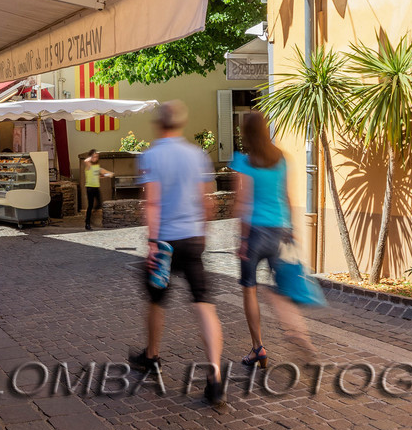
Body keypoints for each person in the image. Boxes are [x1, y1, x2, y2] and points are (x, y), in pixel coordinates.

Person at [129, 100, 225, 405]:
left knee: (157, 298)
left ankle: (152, 355)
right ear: (181, 123)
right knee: (204, 305)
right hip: (194, 237)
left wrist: (153, 244)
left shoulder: (151, 155)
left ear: (159, 123)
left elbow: (153, 204)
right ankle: (216, 376)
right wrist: (203, 234)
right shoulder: (197, 155)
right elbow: (208, 202)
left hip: (167, 241)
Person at [231, 111, 316, 369]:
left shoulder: (244, 162)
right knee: (282, 289)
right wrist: (292, 230)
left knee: (250, 289)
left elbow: (242, 202)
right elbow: (288, 196)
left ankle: (258, 347)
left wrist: (242, 239)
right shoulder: (282, 158)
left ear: (245, 134)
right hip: (280, 230)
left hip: (255, 233)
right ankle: (301, 336)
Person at [81, 149, 112, 231]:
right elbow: (85, 160)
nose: (96, 158)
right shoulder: (89, 165)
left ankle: (90, 216)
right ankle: (87, 223)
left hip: (96, 187)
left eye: (97, 157)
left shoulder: (97, 167)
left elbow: (103, 173)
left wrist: (109, 174)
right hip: (90, 187)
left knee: (99, 204)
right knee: (90, 205)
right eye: (94, 157)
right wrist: (92, 156)